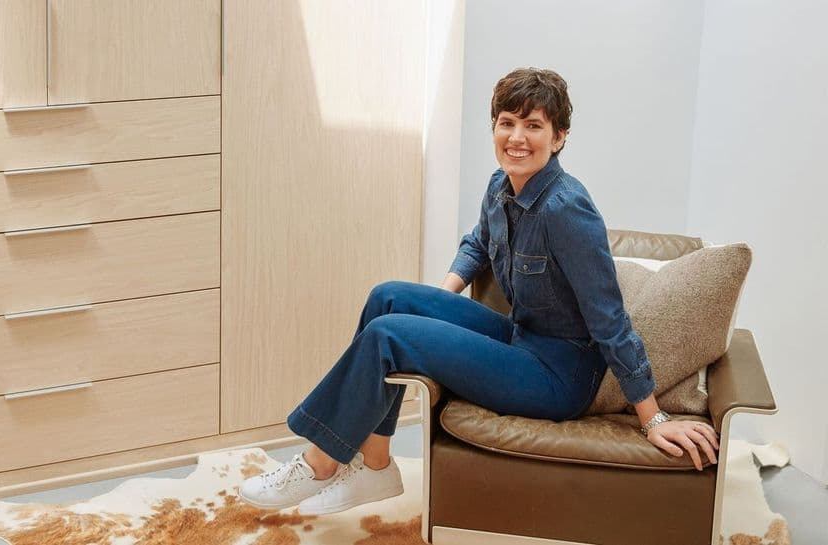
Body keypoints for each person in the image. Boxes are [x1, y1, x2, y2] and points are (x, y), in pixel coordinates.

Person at [238, 67, 720, 516]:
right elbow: (478, 244)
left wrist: (653, 418)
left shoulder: (566, 210)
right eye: (507, 122)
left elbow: (609, 319)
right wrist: (443, 303)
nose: (516, 138)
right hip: (520, 337)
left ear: (560, 136)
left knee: (388, 335)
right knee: (388, 297)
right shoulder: (501, 185)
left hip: (559, 375)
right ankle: (377, 465)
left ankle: (320, 461)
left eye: (533, 125)